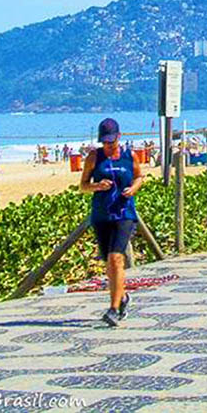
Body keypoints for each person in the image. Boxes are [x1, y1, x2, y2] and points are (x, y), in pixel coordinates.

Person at [80, 117, 143, 327]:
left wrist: (133, 188)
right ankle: (122, 297)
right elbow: (83, 185)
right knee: (109, 261)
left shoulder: (129, 155)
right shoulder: (93, 157)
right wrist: (97, 186)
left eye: (111, 141)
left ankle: (114, 309)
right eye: (105, 142)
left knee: (117, 258)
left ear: (119, 137)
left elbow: (139, 177)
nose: (108, 146)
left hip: (124, 213)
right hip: (102, 214)